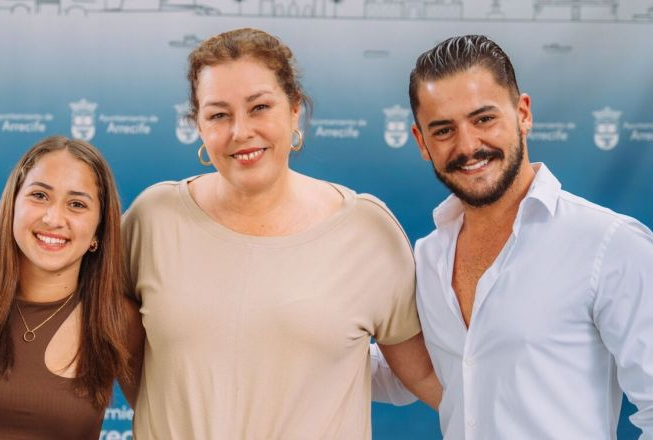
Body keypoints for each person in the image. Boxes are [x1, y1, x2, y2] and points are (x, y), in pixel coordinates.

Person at [121, 28, 440, 439]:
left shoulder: (366, 230)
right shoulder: (152, 219)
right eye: (218, 114)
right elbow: (117, 351)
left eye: (259, 107)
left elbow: (428, 376)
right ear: (198, 127)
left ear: (293, 112)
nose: (241, 131)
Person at [371, 34, 653, 438]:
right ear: (421, 142)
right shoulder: (430, 255)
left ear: (523, 114)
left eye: (484, 119)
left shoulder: (609, 243)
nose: (468, 146)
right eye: (444, 130)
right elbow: (425, 373)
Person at [0, 136, 144, 439]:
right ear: (13, 205)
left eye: (76, 204)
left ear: (98, 231)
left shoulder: (119, 319)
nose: (53, 218)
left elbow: (170, 422)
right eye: (39, 196)